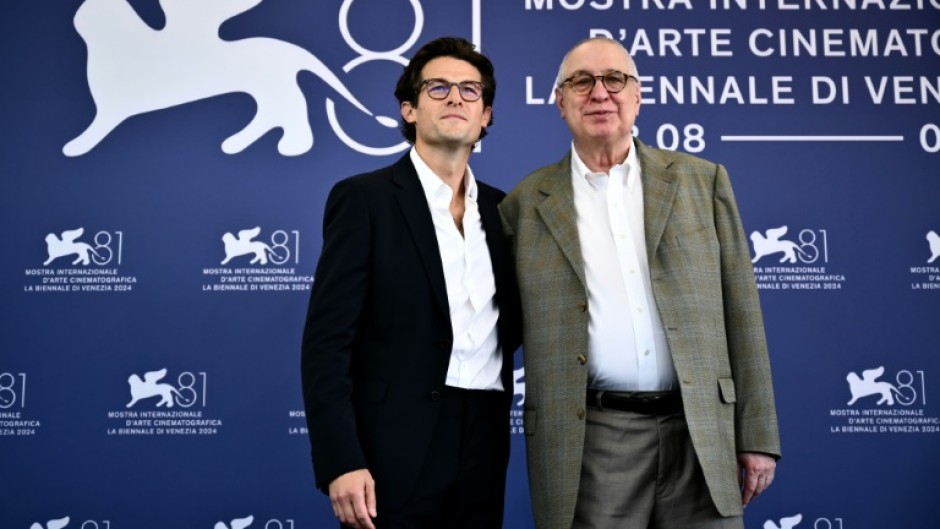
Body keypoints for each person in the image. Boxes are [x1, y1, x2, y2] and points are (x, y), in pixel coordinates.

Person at [499, 37, 781, 529]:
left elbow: (742, 311)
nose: (599, 93)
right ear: (559, 101)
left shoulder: (703, 180)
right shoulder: (524, 205)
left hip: (702, 434)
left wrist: (756, 433)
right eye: (581, 82)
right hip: (592, 441)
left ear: (638, 96)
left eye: (615, 79)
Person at [301, 37, 520, 529]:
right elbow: (326, 344)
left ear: (485, 115)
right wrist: (340, 459)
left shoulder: (508, 211)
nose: (456, 98)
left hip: (484, 437)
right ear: (409, 109)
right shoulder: (364, 200)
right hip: (390, 447)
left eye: (470, 90)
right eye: (438, 87)